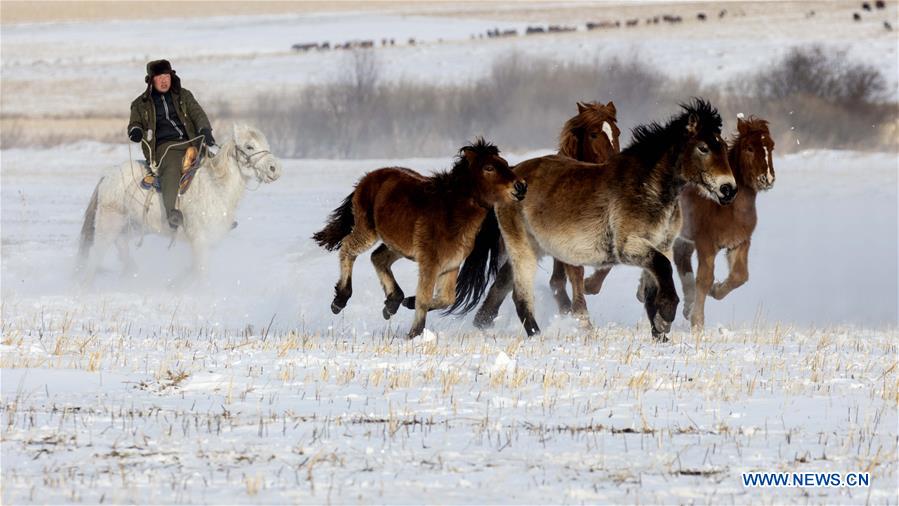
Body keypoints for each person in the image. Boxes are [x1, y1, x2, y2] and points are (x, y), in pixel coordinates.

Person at [128, 59, 214, 229]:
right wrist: (135, 131)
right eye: (159, 77)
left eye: (166, 76)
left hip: (191, 142)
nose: (164, 80)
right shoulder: (140, 104)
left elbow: (198, 114)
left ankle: (219, 214)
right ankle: (171, 213)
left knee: (216, 165)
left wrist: (205, 130)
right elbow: (134, 123)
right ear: (151, 80)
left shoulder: (184, 95)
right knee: (172, 169)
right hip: (165, 148)